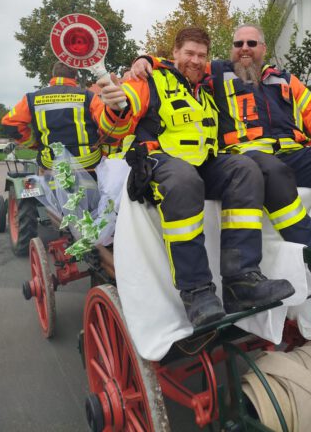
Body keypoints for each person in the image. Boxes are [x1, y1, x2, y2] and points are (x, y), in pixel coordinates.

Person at [131, 25, 311, 276]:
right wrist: (145, 60)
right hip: (248, 157)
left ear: (263, 48)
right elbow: (182, 65)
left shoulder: (285, 80)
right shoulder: (215, 74)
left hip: (293, 155)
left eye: (251, 43)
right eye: (238, 44)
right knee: (272, 169)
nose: (244, 48)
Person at [98, 27, 294, 327]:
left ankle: (241, 280)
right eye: (189, 53)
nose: (196, 60)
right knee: (184, 180)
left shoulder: (205, 88)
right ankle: (197, 292)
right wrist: (114, 105)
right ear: (174, 53)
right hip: (160, 162)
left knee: (245, 169)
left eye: (201, 55)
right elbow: (118, 118)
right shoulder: (149, 79)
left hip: (202, 162)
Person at [2, 61, 108, 173]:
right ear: (75, 77)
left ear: (53, 76)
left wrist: (34, 144)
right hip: (88, 163)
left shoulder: (32, 98)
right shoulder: (89, 96)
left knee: (46, 182)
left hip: (51, 164)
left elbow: (10, 123)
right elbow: (107, 124)